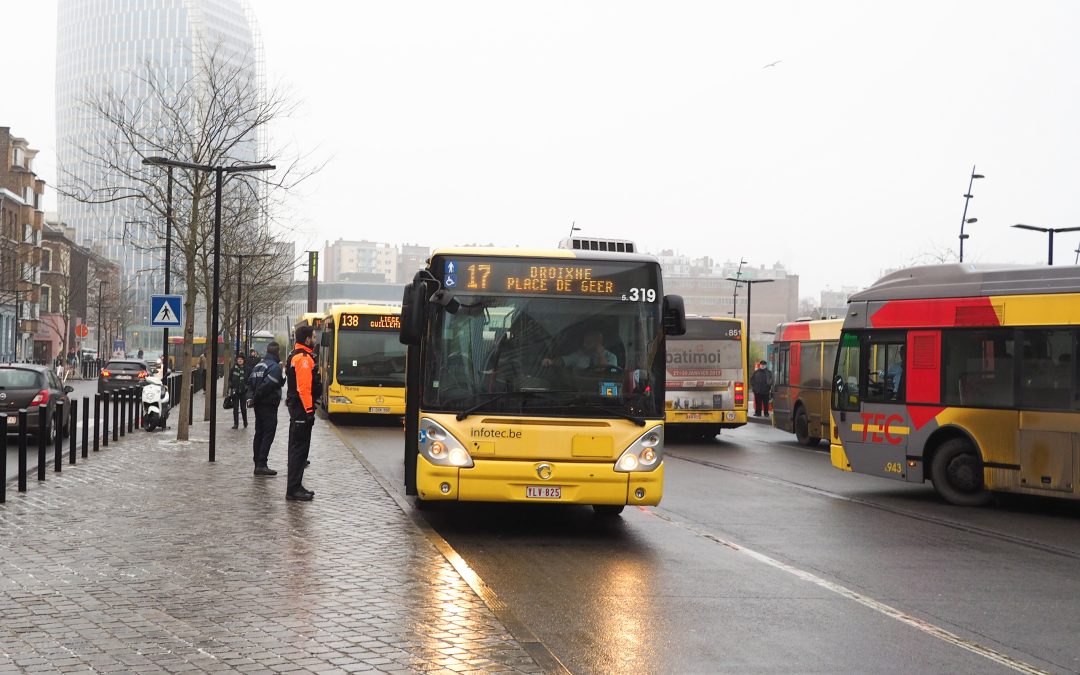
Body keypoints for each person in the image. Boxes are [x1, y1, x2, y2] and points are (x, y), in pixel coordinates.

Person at [285, 325, 318, 502]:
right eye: (313, 337)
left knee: (296, 450)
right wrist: (310, 411)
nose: (315, 339)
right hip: (301, 411)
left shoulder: (294, 355)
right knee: (299, 451)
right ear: (307, 339)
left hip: (296, 409)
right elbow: (304, 388)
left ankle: (296, 486)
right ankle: (293, 489)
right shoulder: (304, 359)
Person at [249, 342, 285, 477]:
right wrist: (257, 397)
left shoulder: (259, 365)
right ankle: (262, 464)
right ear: (277, 352)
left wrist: (252, 398)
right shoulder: (274, 367)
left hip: (259, 406)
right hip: (268, 405)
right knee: (268, 434)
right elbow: (268, 385)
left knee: (259, 433)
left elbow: (250, 382)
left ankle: (257, 462)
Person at [542, 329, 618, 370]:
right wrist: (551, 362)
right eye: (584, 342)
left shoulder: (611, 357)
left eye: (588, 343)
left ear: (598, 343)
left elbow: (607, 372)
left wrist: (601, 355)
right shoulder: (579, 355)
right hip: (580, 389)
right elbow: (564, 360)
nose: (584, 345)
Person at [229, 355, 249, 429]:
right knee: (235, 408)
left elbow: (249, 379)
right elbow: (230, 379)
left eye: (241, 359)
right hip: (235, 391)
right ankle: (236, 424)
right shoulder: (233, 369)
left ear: (244, 360)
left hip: (243, 391)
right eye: (238, 359)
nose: (240, 360)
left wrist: (246, 387)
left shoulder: (247, 369)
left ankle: (245, 422)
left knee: (243, 408)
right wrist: (231, 386)